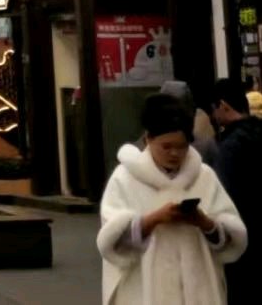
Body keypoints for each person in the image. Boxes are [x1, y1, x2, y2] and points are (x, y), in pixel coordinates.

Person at [98, 93, 246, 305]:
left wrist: (204, 223)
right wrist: (154, 219)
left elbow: (231, 239)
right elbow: (112, 243)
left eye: (182, 146)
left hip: (198, 290)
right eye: (166, 146)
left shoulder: (204, 176)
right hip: (144, 291)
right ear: (148, 139)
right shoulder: (125, 178)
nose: (175, 153)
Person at [211, 77, 262, 304]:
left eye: (214, 109)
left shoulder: (229, 148)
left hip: (244, 244)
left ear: (223, 106)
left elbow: (224, 195)